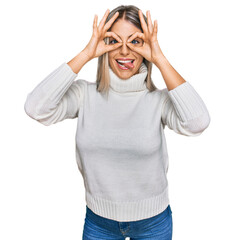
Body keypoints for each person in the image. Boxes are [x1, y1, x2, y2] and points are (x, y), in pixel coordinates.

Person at [24, 4, 210, 240]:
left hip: (153, 222)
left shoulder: (158, 100)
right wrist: (86, 53)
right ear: (104, 46)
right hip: (98, 222)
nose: (124, 51)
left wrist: (160, 58)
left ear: (147, 47)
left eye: (135, 42)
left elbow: (198, 122)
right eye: (114, 42)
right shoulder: (84, 95)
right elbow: (35, 108)